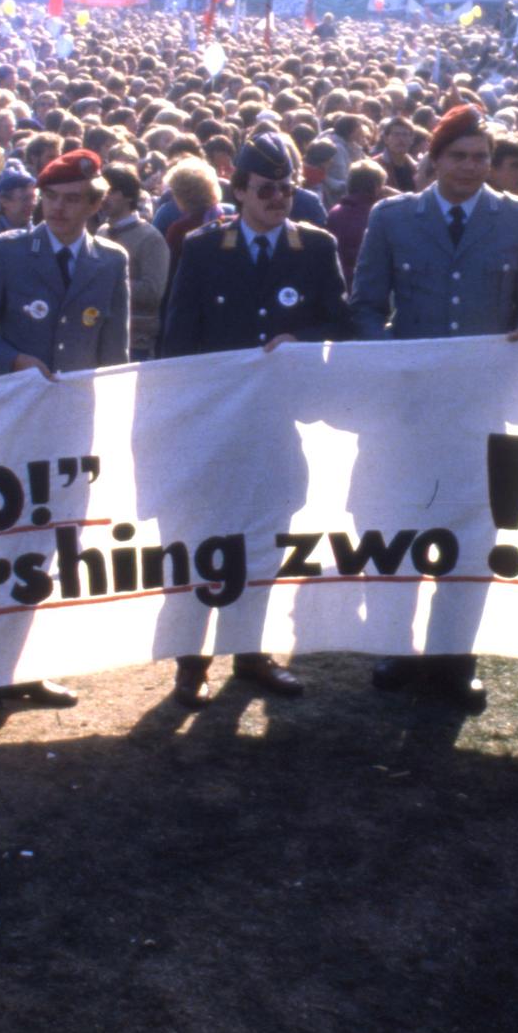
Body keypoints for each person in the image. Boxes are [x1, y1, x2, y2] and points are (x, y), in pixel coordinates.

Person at [348, 105, 518, 707]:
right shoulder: (393, 217)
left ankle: (455, 659)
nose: (470, 168)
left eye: (480, 157)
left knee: (472, 532)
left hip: (484, 412)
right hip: (407, 410)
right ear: (434, 160)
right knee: (400, 525)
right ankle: (398, 647)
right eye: (458, 156)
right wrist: (393, 357)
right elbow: (364, 303)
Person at [157, 131, 350, 703]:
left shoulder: (313, 248)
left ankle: (251, 653)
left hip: (278, 426)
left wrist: (301, 338)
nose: (279, 200)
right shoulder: (202, 248)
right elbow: (178, 340)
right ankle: (191, 664)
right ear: (238, 190)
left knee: (264, 542)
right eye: (266, 190)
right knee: (203, 543)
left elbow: (341, 325)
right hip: (215, 428)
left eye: (287, 189)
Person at [0, 148, 130, 729]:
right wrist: (15, 364)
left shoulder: (110, 261)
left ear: (95, 204)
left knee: (49, 550)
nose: (58, 209)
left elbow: (114, 356)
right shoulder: (7, 252)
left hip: (71, 432)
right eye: (50, 198)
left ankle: (25, 669)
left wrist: (103, 423)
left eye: (73, 199)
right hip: (9, 430)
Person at [100, 162, 170, 359]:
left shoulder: (150, 238)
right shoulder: (102, 231)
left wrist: (108, 282)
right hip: (102, 335)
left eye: (111, 191)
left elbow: (153, 291)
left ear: (129, 195)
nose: (104, 198)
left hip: (137, 340)